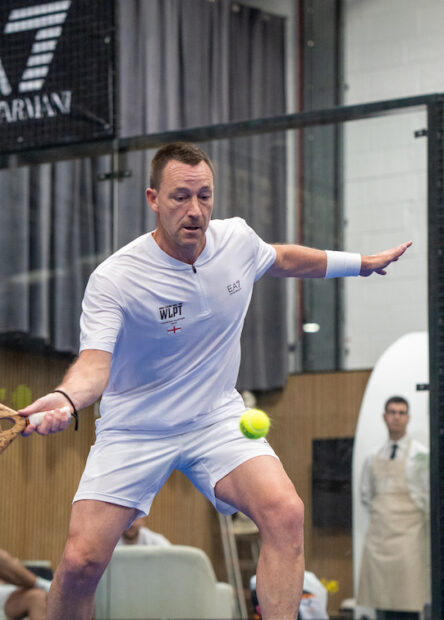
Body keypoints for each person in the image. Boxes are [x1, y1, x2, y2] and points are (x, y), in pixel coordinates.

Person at [19, 142, 412, 620]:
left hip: (215, 419)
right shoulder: (116, 279)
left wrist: (360, 263)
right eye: (180, 197)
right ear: (152, 199)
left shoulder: (236, 241)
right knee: (81, 563)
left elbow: (281, 258)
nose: (195, 210)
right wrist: (64, 398)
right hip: (135, 429)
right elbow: (94, 365)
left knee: (285, 513)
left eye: (204, 196)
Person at [356, 396, 430, 620]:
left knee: (410, 603)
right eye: (392, 412)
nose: (396, 417)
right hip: (379, 540)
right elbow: (366, 494)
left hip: (410, 539)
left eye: (401, 412)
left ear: (407, 418)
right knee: (381, 602)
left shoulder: (421, 456)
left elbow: (428, 496)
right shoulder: (372, 456)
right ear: (384, 417)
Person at [0, 548, 51, 620]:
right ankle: (47, 586)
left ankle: (45, 586)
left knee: (38, 596)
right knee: (37, 596)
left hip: (12, 589)